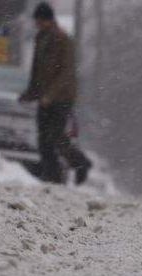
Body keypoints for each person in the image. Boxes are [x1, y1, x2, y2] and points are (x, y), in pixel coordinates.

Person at [20, 2, 92, 185]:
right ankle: (51, 175)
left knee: (56, 136)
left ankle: (80, 163)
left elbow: (66, 72)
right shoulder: (40, 38)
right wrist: (30, 93)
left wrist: (50, 96)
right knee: (43, 137)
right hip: (45, 97)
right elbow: (37, 70)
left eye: (39, 20)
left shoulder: (62, 39)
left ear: (47, 20)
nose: (36, 23)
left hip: (61, 97)